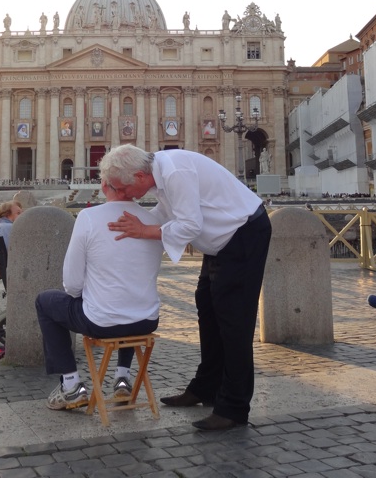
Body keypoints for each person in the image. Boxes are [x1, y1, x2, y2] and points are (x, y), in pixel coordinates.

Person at [102, 144, 271, 431]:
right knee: (207, 307)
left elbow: (190, 225)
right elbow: (165, 214)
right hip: (223, 242)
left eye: (123, 188)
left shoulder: (175, 171)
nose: (124, 195)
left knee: (234, 322)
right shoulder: (161, 174)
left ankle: (234, 407)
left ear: (140, 176)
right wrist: (127, 222)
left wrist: (143, 231)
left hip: (242, 235)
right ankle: (206, 387)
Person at [35, 182, 163, 411]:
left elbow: (72, 284)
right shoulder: (152, 220)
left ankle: (71, 385)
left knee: (45, 302)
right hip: (147, 320)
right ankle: (122, 377)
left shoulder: (89, 217)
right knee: (126, 304)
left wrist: (85, 295)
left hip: (103, 322)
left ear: (104, 185)